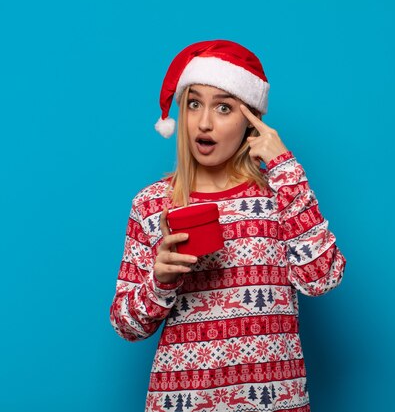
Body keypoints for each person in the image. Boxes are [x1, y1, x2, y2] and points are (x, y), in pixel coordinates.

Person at [109, 40, 346, 412]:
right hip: (182, 399)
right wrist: (160, 280)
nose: (204, 122)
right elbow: (126, 325)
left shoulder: (278, 196)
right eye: (193, 104)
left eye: (223, 107)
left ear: (250, 119)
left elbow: (322, 278)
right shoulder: (152, 204)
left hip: (275, 402)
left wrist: (285, 168)